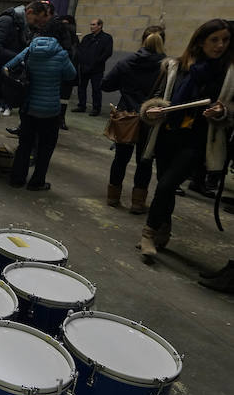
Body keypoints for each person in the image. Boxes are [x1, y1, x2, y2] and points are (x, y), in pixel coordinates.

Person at [137, 18, 233, 261]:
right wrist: (153, 110)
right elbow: (156, 98)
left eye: (225, 40)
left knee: (167, 185)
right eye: (214, 40)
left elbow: (231, 109)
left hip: (197, 140)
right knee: (163, 186)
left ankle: (148, 233)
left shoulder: (228, 74)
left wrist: (222, 113)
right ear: (200, 42)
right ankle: (162, 226)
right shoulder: (175, 67)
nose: (220, 45)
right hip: (168, 134)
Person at [0, 1, 53, 176]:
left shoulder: (17, 24)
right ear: (29, 11)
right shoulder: (8, 22)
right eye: (37, 19)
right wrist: (20, 57)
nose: (37, 24)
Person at [4, 17, 77, 191]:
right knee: (45, 147)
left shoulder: (30, 49)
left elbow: (8, 67)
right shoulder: (61, 54)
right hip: (50, 110)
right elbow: (71, 75)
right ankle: (37, 182)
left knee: (24, 144)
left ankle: (17, 179)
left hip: (28, 106)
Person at [101, 26, 166, 212]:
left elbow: (105, 85)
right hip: (151, 120)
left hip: (126, 117)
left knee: (120, 158)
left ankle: (113, 197)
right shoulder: (168, 66)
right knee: (144, 161)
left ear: (143, 40)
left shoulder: (126, 62)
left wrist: (126, 87)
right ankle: (137, 203)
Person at [73, 18, 114, 116]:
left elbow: (107, 53)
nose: (91, 26)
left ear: (100, 26)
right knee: (81, 87)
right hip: (84, 67)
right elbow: (80, 50)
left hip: (97, 69)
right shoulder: (87, 38)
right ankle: (81, 106)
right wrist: (81, 62)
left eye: (94, 24)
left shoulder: (106, 38)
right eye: (91, 24)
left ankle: (96, 108)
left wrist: (96, 62)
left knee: (96, 89)